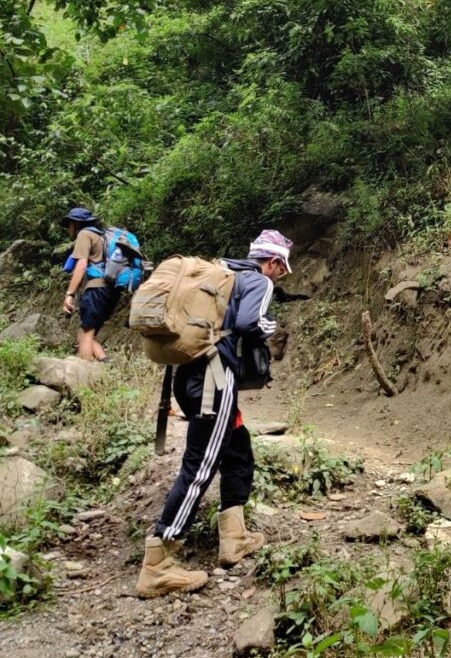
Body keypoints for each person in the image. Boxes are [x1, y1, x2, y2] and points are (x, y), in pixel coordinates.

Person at [136, 230, 294, 599]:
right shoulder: (258, 281)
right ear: (272, 262)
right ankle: (157, 563)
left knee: (237, 449)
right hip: (213, 382)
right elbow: (248, 324)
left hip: (190, 377)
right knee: (200, 468)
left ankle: (234, 538)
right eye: (281, 270)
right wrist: (272, 326)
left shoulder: (225, 272)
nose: (279, 277)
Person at [61, 207, 119, 362]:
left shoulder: (84, 234)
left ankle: (84, 379)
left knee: (86, 334)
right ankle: (106, 363)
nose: (68, 229)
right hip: (111, 290)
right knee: (85, 334)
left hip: (96, 289)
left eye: (69, 224)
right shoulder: (102, 236)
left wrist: (70, 294)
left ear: (76, 224)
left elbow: (81, 265)